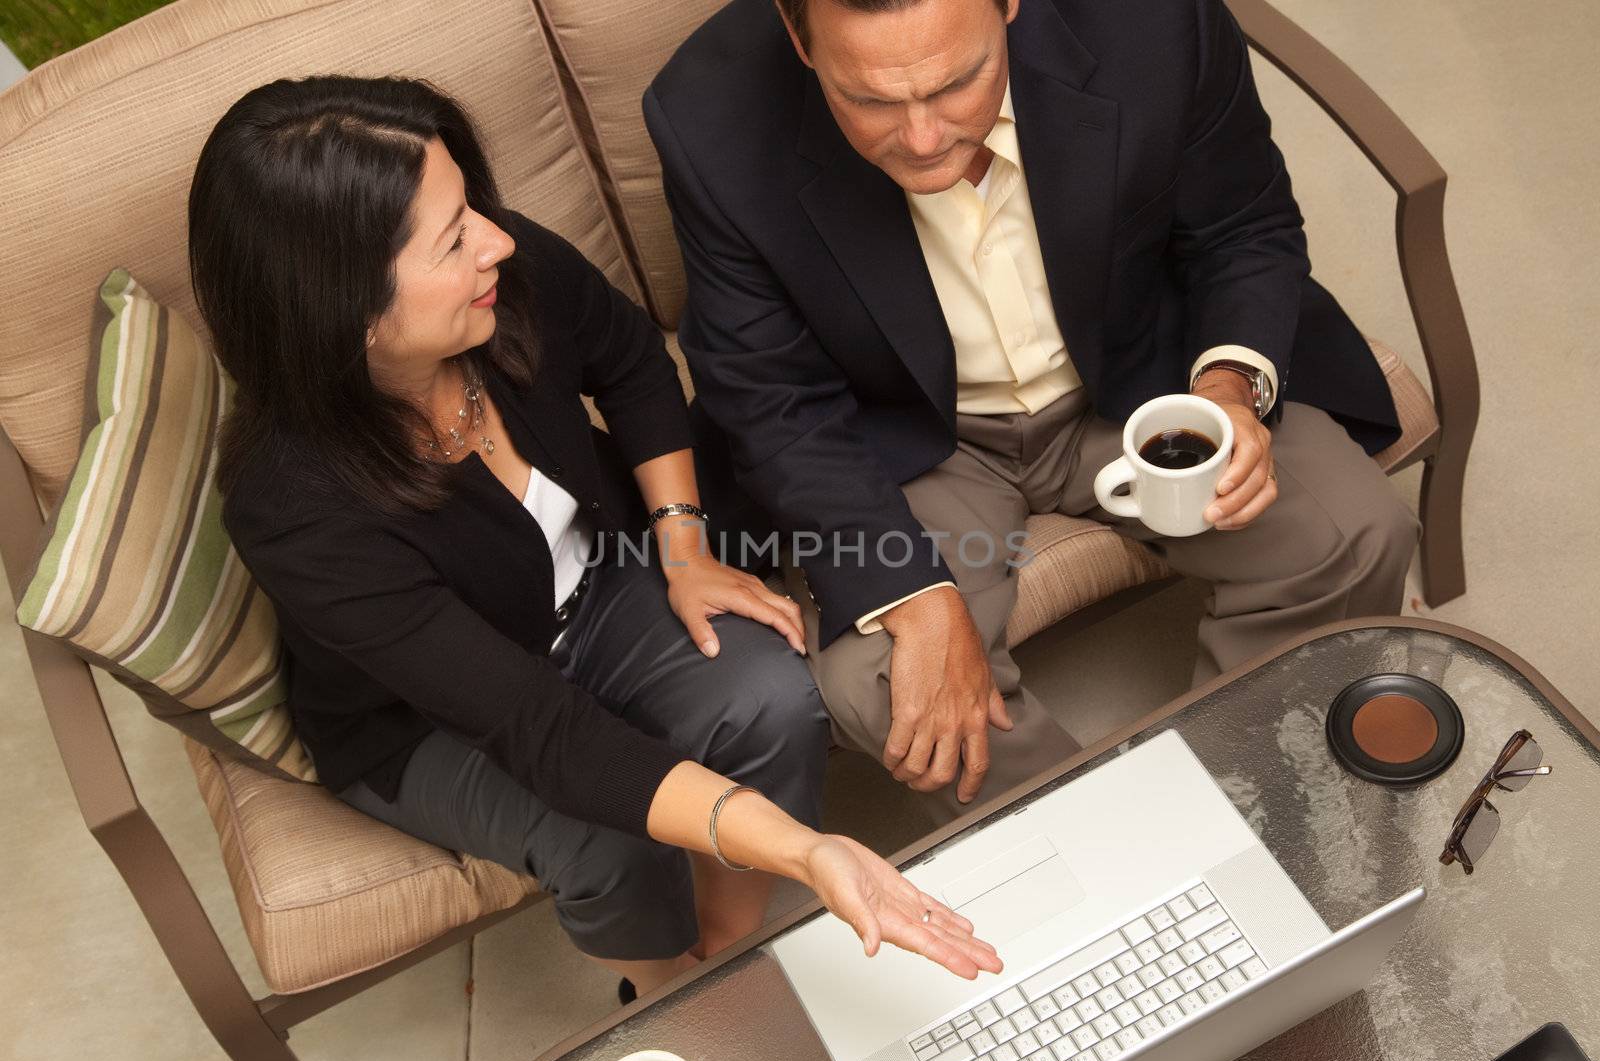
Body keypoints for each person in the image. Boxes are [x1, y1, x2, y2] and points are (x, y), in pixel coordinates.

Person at [189, 75, 1001, 998]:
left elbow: (631, 361)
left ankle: (724, 967)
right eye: (454, 240)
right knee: (607, 836)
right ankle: (664, 998)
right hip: (423, 721)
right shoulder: (293, 507)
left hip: (601, 584)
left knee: (772, 698)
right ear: (348, 314)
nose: (497, 239)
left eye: (473, 210)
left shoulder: (497, 275)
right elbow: (543, 732)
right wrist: (812, 853)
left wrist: (684, 545)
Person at [645, 0, 1420, 823]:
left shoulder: (1154, 21)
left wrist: (1229, 383)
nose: (921, 137)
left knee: (1355, 535)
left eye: (957, 84)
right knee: (887, 689)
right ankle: (1106, 866)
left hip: (1140, 376)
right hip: (906, 436)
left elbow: (1242, 227)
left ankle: (1232, 808)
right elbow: (767, 400)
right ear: (799, 39)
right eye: (870, 100)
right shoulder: (707, 113)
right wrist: (911, 593)